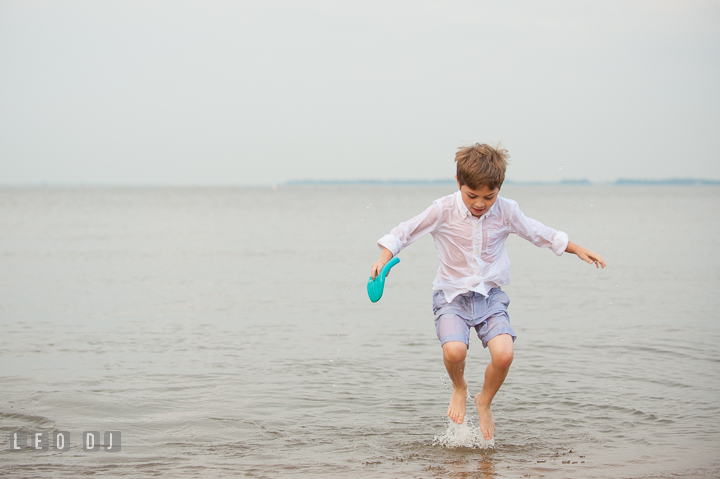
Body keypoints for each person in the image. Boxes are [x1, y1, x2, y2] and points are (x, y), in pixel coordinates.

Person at [370, 143, 606, 441]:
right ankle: (459, 388)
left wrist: (577, 249)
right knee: (455, 350)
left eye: (489, 197)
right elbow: (403, 232)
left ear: (499, 189)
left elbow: (539, 233)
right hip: (451, 296)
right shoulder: (443, 209)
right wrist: (382, 258)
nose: (480, 203)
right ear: (459, 183)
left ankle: (484, 401)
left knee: (505, 355)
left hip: (490, 297)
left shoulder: (506, 211)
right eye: (472, 196)